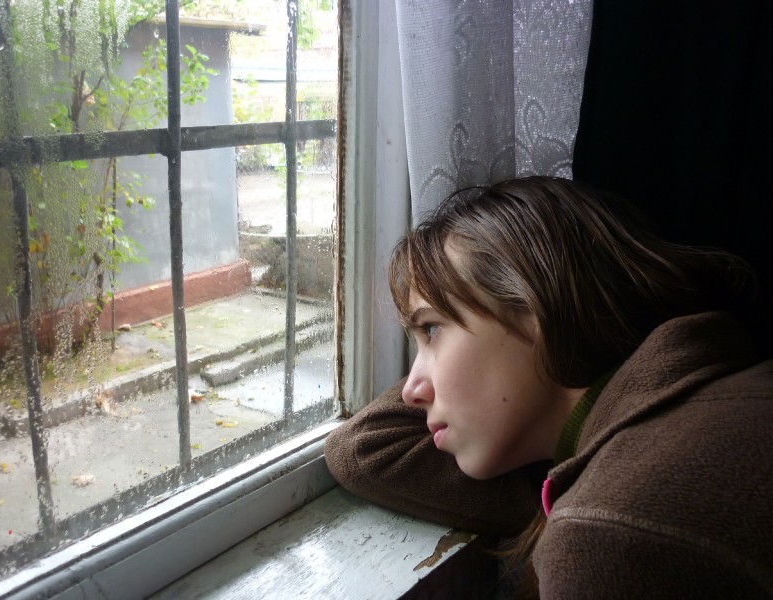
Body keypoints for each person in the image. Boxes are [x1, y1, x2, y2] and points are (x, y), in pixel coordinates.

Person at [325, 176, 773, 598]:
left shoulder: (608, 532)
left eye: (431, 329)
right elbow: (365, 449)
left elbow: (368, 448)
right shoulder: (714, 394)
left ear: (534, 306)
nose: (411, 390)